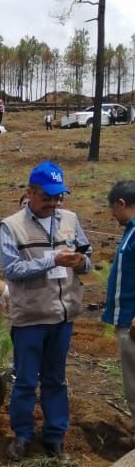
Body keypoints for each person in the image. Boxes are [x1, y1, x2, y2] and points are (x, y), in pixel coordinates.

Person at [0, 161, 92, 461]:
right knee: (25, 380)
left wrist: (81, 263)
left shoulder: (70, 219)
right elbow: (12, 269)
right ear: (30, 192)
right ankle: (23, 435)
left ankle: (55, 437)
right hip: (30, 317)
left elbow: (87, 257)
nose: (53, 203)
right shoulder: (11, 226)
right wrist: (52, 260)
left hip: (62, 316)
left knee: (56, 379)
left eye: (58, 197)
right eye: (47, 197)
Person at [102, 181, 135, 433]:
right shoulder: (130, 231)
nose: (112, 215)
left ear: (121, 203)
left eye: (113, 208)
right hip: (125, 320)